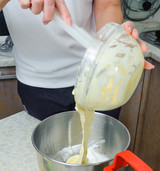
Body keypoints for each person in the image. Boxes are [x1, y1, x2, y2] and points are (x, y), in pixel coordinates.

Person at [2, 0, 154, 120]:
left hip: (100, 77)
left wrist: (114, 42)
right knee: (48, 152)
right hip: (37, 81)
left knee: (99, 151)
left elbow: (108, 5)